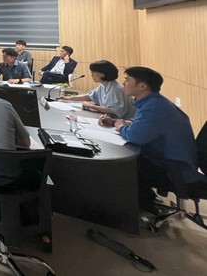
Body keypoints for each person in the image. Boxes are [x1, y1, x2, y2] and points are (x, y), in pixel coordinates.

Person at [99, 66, 200, 215]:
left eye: (127, 80)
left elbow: (135, 137)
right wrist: (119, 122)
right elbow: (143, 126)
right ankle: (146, 201)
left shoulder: (154, 107)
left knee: (119, 165)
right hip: (170, 163)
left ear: (142, 86)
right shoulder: (154, 102)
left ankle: (141, 210)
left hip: (176, 170)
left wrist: (119, 125)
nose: (124, 83)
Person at [61, 60, 134, 118]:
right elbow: (89, 96)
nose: (91, 75)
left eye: (93, 72)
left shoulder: (116, 89)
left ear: (102, 74)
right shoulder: (103, 86)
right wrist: (69, 98)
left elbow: (115, 110)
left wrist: (91, 106)